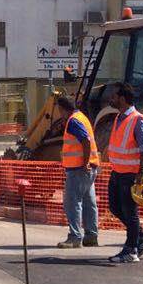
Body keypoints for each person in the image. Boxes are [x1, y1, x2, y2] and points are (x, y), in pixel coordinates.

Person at [104, 83, 143, 264]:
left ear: (122, 98)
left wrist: (141, 172)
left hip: (131, 173)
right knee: (115, 207)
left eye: (114, 96)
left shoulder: (137, 119)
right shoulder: (119, 117)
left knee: (130, 212)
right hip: (117, 171)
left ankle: (131, 249)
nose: (111, 98)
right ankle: (141, 236)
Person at [53, 93, 100, 248]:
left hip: (79, 169)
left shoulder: (73, 121)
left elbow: (85, 141)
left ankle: (75, 237)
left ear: (62, 109)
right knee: (89, 202)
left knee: (73, 203)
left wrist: (84, 163)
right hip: (90, 167)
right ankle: (91, 236)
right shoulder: (83, 117)